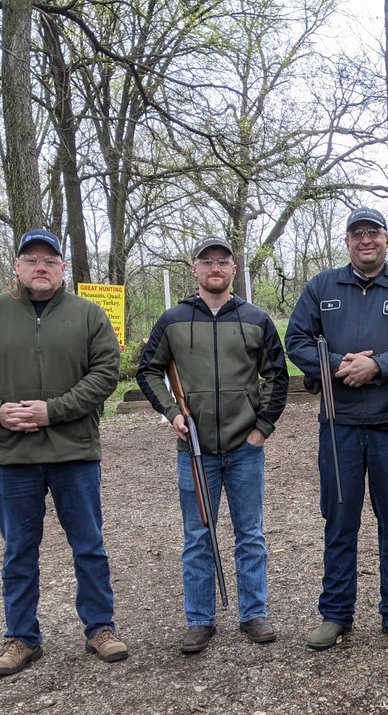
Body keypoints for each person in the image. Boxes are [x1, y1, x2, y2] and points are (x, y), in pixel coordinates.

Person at [0, 228, 127, 676]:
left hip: (75, 453)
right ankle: (22, 637)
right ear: (18, 267)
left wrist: (54, 411)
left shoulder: (89, 315)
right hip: (12, 455)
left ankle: (100, 629)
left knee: (89, 546)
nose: (41, 267)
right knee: (19, 550)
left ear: (63, 268)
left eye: (50, 259)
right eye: (32, 260)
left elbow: (106, 373)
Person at [284, 207, 388, 651]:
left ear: (387, 239)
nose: (365, 240)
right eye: (357, 234)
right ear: (347, 241)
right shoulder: (321, 287)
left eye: (373, 233)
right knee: (339, 521)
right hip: (340, 427)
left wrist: (378, 366)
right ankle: (335, 614)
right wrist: (338, 366)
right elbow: (296, 342)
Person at [136, 235, 289, 653]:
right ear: (194, 269)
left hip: (245, 449)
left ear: (234, 269)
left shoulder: (257, 319)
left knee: (250, 534)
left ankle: (253, 613)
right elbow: (148, 371)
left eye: (223, 261)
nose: (215, 267)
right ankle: (199, 620)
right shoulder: (173, 320)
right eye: (207, 261)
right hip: (195, 450)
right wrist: (172, 413)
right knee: (198, 536)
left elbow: (278, 376)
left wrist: (262, 429)